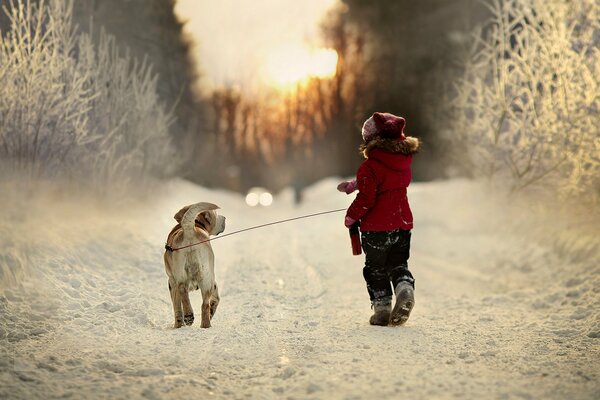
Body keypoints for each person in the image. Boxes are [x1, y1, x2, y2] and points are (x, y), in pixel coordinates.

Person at [337, 112, 420, 326]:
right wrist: (354, 184)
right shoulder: (403, 161)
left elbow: (367, 197)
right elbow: (385, 177)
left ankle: (382, 309)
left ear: (371, 140)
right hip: (402, 224)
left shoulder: (369, 167)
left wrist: (351, 216)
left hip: (377, 228)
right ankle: (405, 288)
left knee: (376, 268)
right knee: (398, 263)